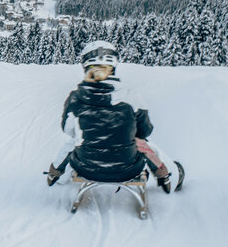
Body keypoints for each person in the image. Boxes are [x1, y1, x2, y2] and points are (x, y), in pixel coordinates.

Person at [46, 41, 178, 193]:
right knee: (142, 144)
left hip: (86, 168)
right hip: (128, 169)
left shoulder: (76, 98)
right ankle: (165, 176)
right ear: (114, 67)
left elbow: (68, 130)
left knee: (73, 143)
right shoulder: (132, 97)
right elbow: (145, 131)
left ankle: (56, 175)